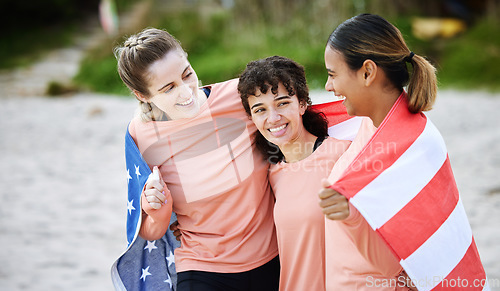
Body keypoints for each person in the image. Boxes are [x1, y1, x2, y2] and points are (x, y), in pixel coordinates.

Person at [319, 13, 487, 290]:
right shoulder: (366, 124)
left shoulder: (411, 147)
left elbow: (397, 263)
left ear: (367, 72)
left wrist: (349, 213)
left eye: (332, 75)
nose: (328, 86)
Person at [114, 28, 279, 291]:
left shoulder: (241, 97)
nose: (186, 92)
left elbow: (297, 131)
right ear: (142, 95)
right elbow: (149, 232)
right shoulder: (140, 135)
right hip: (201, 267)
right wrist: (156, 208)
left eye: (187, 74)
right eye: (168, 88)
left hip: (275, 258)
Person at [238, 55, 351, 290]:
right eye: (260, 109)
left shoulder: (342, 154)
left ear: (302, 104)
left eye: (282, 103)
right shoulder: (271, 173)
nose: (273, 118)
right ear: (252, 118)